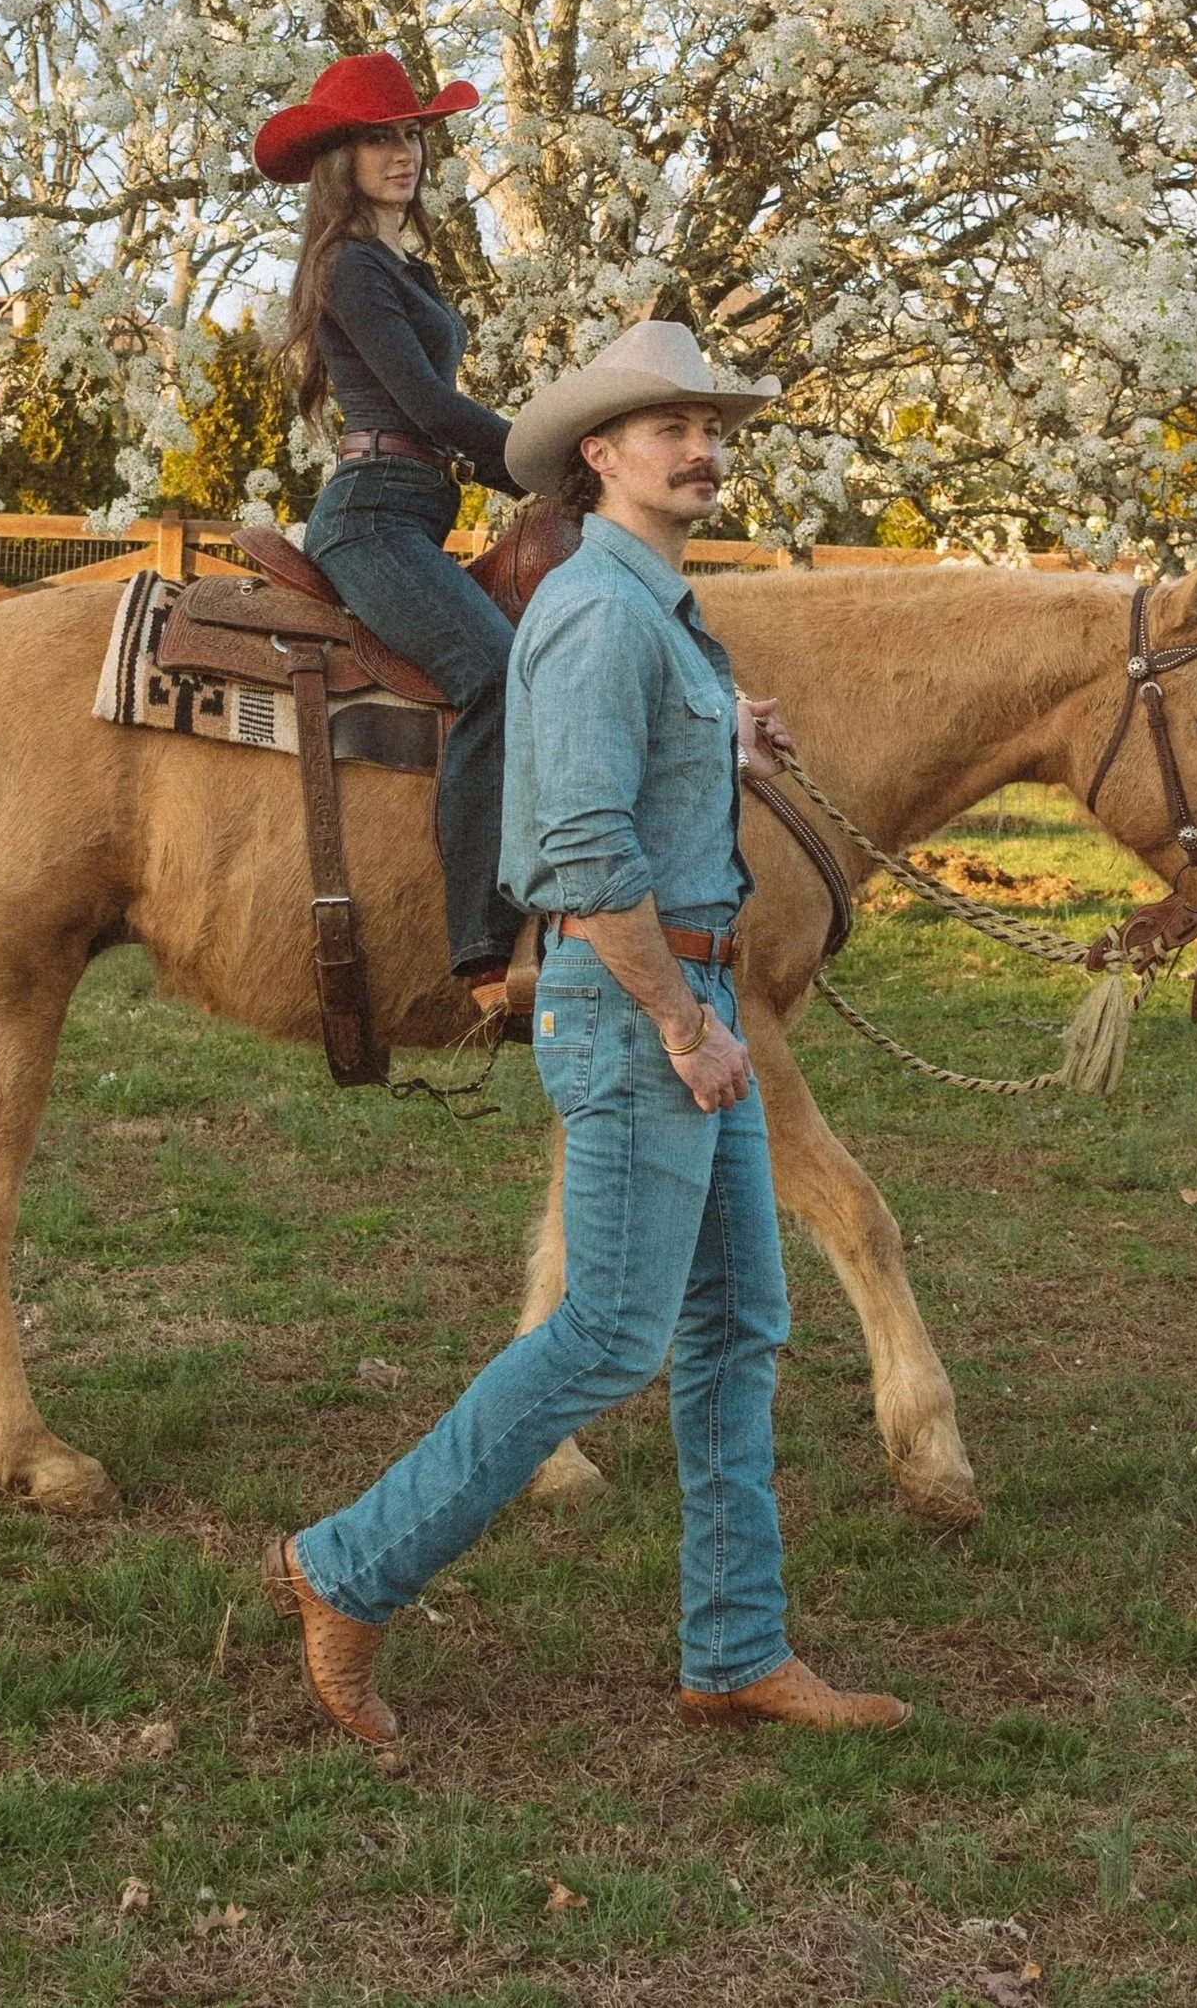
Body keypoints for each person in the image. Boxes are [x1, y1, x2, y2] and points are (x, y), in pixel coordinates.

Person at [261, 320, 911, 1744]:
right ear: (596, 456)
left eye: (710, 423)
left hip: (684, 998)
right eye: (666, 425)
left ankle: (733, 1647)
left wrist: (721, 739)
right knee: (612, 1332)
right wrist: (684, 1026)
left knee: (739, 1321)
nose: (701, 445)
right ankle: (344, 1564)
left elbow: (620, 766)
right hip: (637, 1012)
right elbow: (577, 845)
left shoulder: (654, 604)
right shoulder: (600, 608)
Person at [259, 51, 529, 1014]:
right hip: (370, 516)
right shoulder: (349, 266)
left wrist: (524, 462)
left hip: (411, 508)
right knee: (494, 673)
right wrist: (541, 454)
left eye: (411, 133)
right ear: (341, 157)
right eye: (379, 137)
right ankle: (483, 953)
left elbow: (439, 414)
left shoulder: (396, 264)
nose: (403, 152)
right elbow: (421, 401)